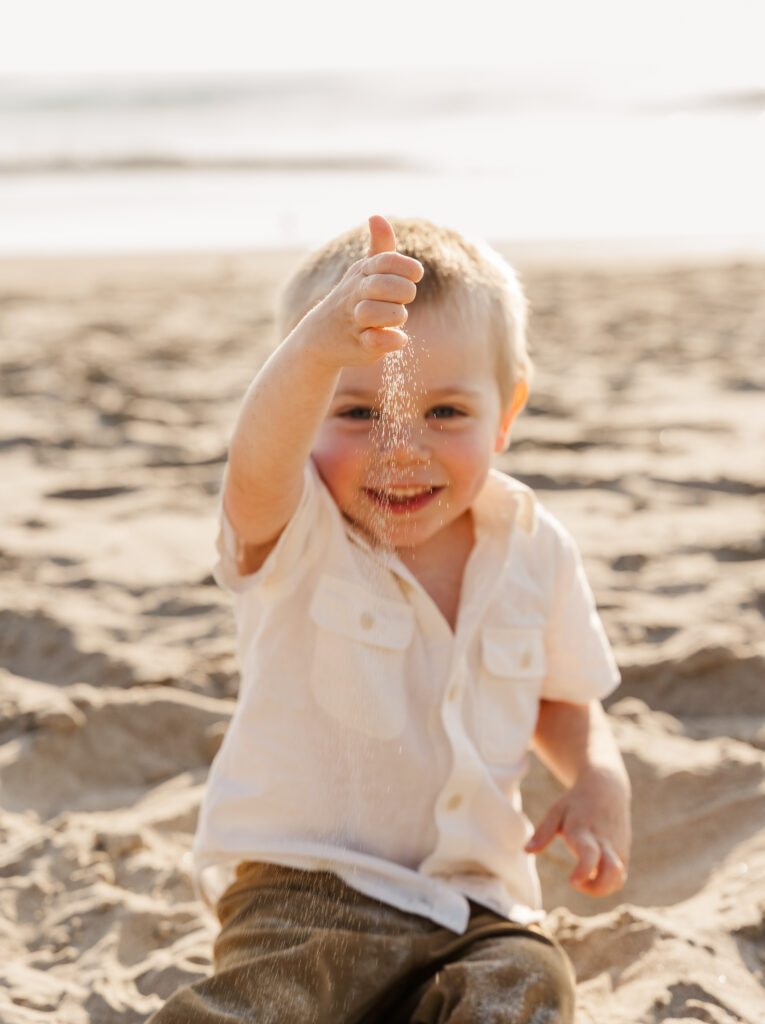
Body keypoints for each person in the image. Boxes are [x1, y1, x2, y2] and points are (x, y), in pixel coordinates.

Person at [147, 215, 631, 1023]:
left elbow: (562, 699)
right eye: (357, 414)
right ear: (305, 413)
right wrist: (313, 353)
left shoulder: (533, 549)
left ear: (506, 411)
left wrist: (596, 778)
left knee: (524, 986)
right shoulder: (301, 530)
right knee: (266, 1001)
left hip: (476, 904)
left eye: (443, 412)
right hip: (309, 892)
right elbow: (256, 467)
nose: (400, 449)